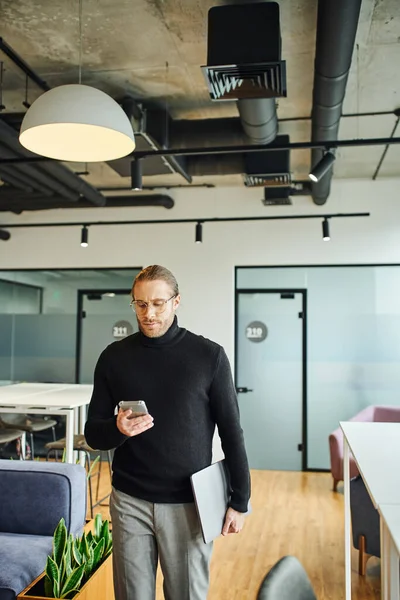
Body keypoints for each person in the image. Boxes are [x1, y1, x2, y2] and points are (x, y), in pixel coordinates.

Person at [85, 265, 250, 600]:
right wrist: (118, 429)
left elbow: (232, 432)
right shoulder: (114, 358)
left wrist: (240, 500)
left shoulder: (209, 357)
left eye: (158, 303)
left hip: (189, 501)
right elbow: (93, 433)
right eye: (141, 304)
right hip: (129, 499)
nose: (149, 314)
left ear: (176, 302)